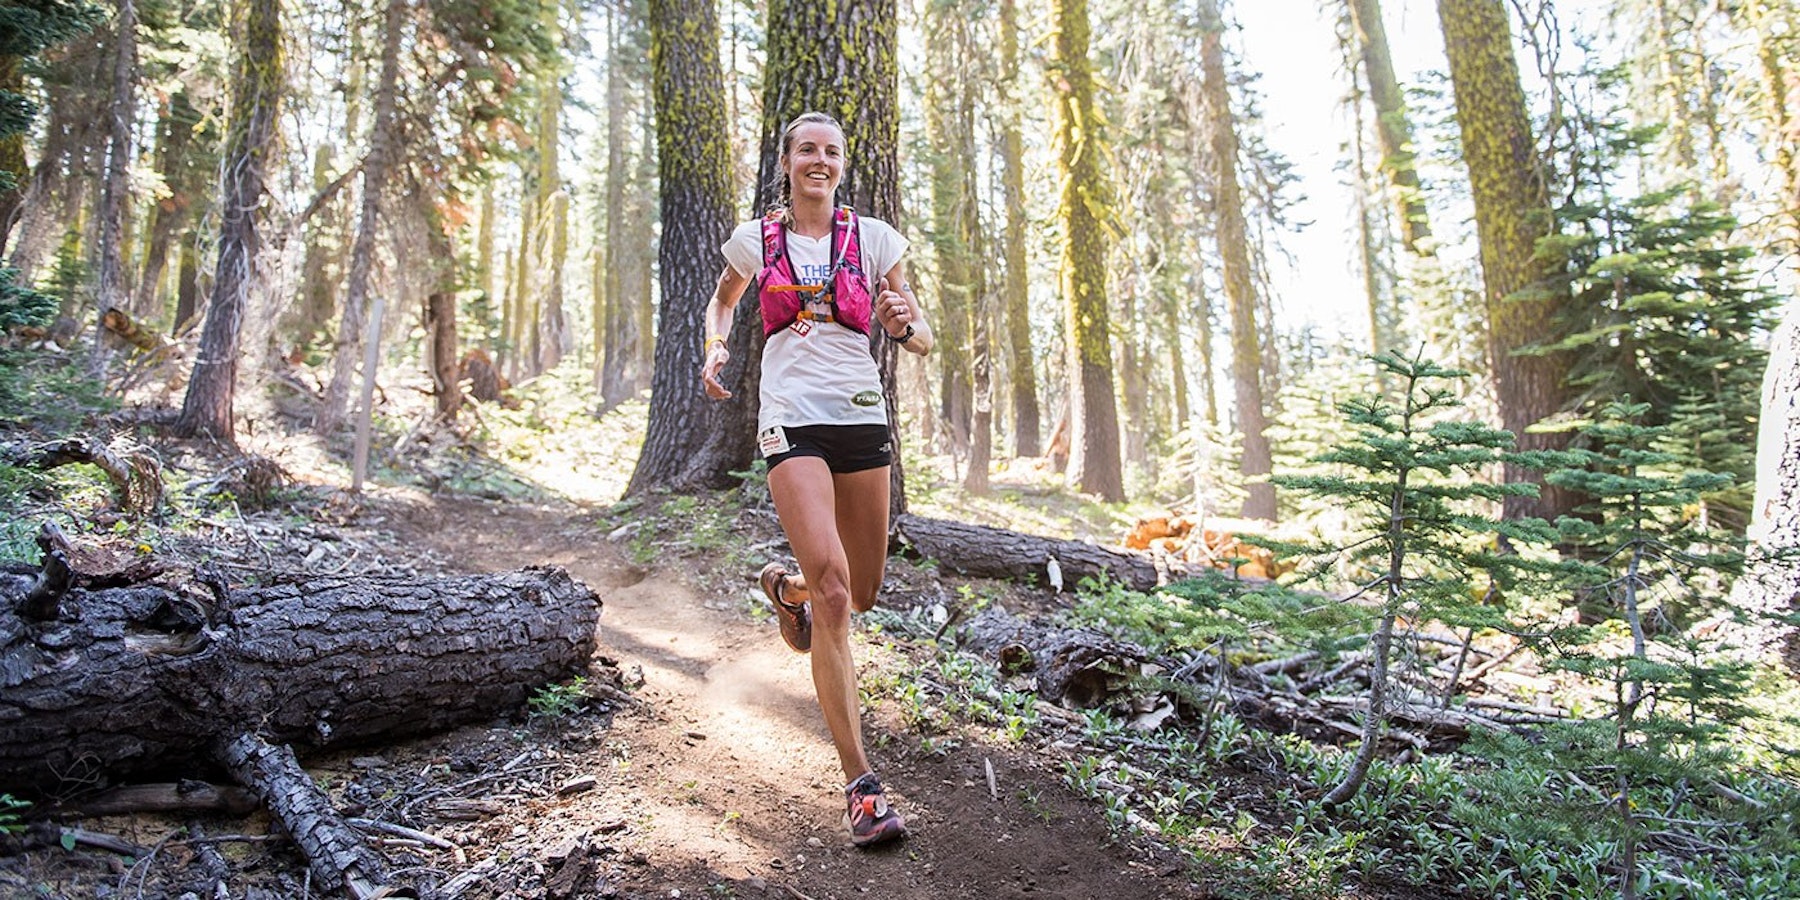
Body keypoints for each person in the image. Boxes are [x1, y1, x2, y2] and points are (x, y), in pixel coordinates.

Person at [698, 111, 933, 848]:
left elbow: (923, 335)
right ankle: (862, 787)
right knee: (837, 593)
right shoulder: (755, 239)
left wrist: (902, 321)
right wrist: (715, 345)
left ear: (841, 164)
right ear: (788, 161)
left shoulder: (874, 240)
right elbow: (723, 299)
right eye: (807, 150)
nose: (819, 161)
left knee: (857, 591)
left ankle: (786, 589)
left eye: (830, 151)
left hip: (861, 415)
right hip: (790, 417)